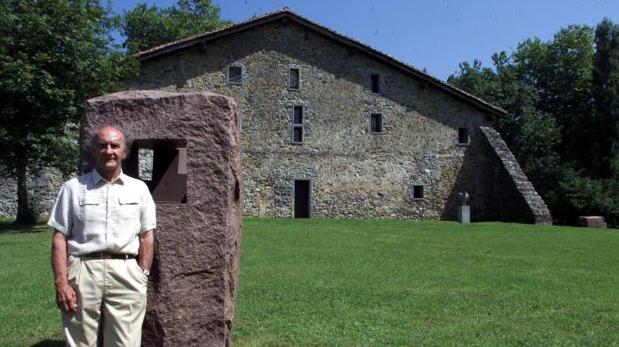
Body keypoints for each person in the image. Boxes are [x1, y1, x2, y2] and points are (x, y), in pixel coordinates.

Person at [48, 126, 156, 347]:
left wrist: (142, 274)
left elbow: (146, 235)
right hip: (82, 271)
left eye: (115, 146)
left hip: (126, 272)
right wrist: (61, 282)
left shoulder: (139, 190)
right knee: (79, 342)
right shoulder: (73, 188)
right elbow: (60, 237)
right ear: (93, 151)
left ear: (124, 152)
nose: (109, 151)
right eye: (102, 145)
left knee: (125, 343)